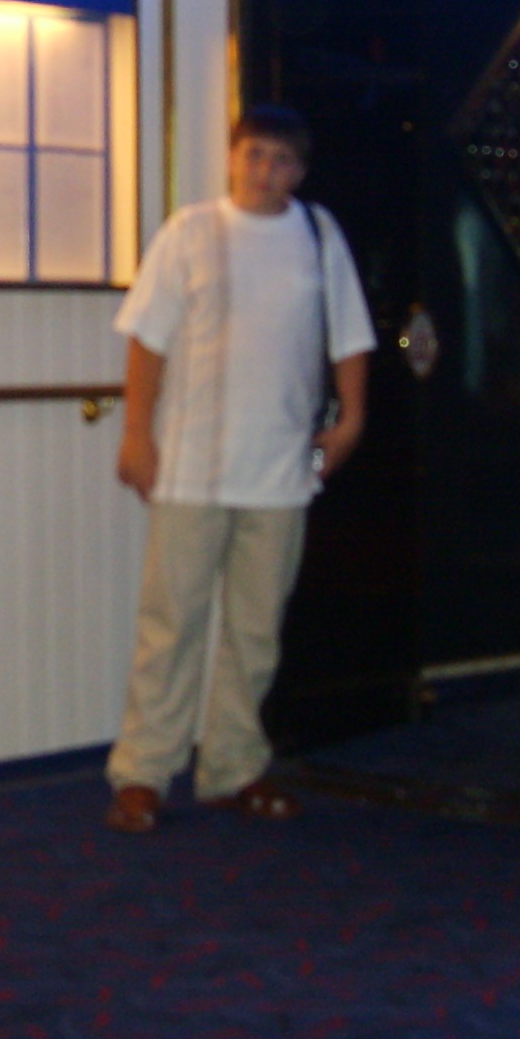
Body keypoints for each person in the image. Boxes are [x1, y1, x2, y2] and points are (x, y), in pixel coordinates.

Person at [102, 105, 374, 833]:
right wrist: (136, 435)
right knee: (170, 628)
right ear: (232, 157)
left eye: (282, 160)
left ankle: (232, 768)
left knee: (255, 631)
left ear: (300, 171)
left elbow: (350, 337)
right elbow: (147, 339)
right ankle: (143, 773)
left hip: (281, 470)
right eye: (254, 155)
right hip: (191, 467)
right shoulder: (190, 232)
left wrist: (351, 420)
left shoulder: (318, 237)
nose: (265, 171)